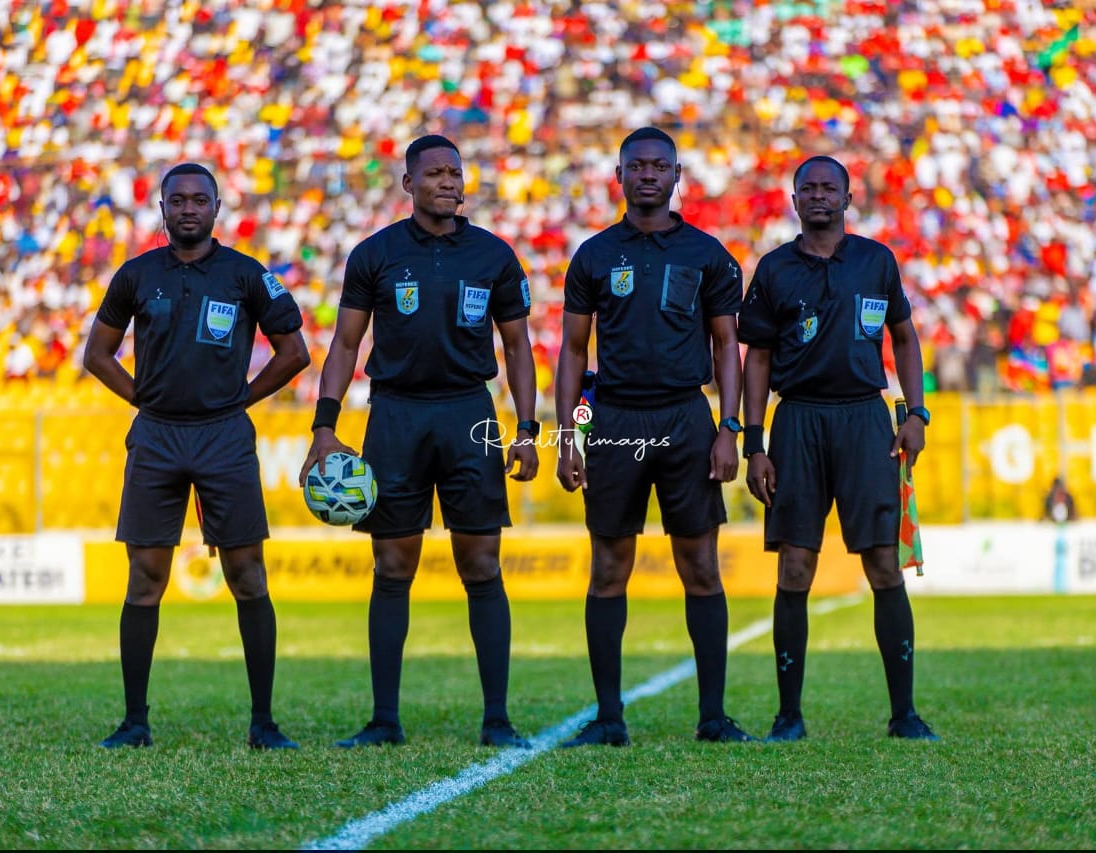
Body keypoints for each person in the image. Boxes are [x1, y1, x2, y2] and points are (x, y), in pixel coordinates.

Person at [300, 134, 538, 750]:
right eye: (434, 173)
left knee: (481, 563)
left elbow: (517, 348)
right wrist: (325, 427)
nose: (448, 182)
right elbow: (346, 345)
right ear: (408, 184)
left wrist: (529, 429)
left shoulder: (494, 256)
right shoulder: (375, 255)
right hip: (396, 416)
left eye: (455, 173)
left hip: (470, 415)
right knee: (392, 565)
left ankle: (497, 720)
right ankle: (384, 720)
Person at [83, 162, 310, 750]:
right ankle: (135, 722)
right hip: (156, 436)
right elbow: (98, 354)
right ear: (162, 208)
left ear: (216, 207)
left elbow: (294, 352)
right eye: (177, 199)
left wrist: (243, 399)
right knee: (145, 579)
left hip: (223, 436)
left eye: (199, 199)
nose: (188, 208)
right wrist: (143, 400)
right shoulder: (136, 276)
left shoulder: (245, 274)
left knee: (247, 574)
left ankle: (264, 722)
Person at [554, 126, 753, 746]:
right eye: (635, 166)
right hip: (612, 419)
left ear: (675, 176)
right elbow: (572, 350)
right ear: (618, 176)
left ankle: (713, 718)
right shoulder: (592, 255)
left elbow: (727, 347)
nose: (647, 175)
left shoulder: (708, 255)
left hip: (686, 420)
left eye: (658, 166)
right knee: (609, 566)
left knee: (700, 566)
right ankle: (609, 719)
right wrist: (568, 435)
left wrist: (729, 427)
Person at [738, 154, 940, 743]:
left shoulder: (877, 261)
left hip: (864, 420)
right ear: (793, 200)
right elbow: (758, 359)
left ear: (848, 199)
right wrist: (755, 443)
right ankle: (788, 715)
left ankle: (904, 714)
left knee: (882, 564)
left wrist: (916, 412)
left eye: (831, 187)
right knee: (796, 567)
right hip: (797, 420)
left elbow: (904, 337)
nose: (820, 196)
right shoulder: (774, 269)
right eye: (809, 188)